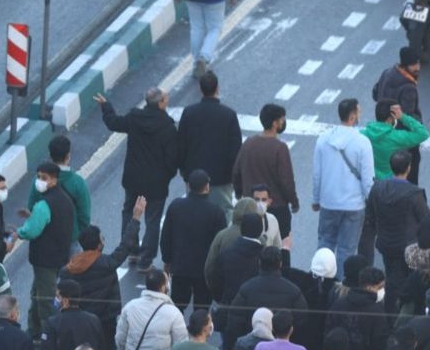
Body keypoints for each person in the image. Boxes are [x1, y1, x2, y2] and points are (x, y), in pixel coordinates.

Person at [63, 199, 145, 350]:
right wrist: (136, 218)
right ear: (98, 245)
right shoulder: (107, 263)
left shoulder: (69, 269)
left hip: (80, 322)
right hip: (106, 322)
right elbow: (126, 245)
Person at [95, 89, 178, 267]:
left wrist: (106, 106)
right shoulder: (168, 127)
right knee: (153, 220)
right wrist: (167, 176)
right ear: (161, 103)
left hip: (133, 180)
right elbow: (173, 159)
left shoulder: (134, 118)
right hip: (156, 183)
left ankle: (130, 250)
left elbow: (113, 123)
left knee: (129, 213)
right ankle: (146, 260)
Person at [360, 150, 430, 314]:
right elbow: (426, 219)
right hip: (409, 247)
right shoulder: (414, 193)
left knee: (392, 279)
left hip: (386, 243)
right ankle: (406, 312)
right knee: (411, 281)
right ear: (409, 168)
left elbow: (370, 215)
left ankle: (390, 312)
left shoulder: (377, 188)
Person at [14, 162, 76, 338]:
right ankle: (33, 331)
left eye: (44, 178)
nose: (40, 181)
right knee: (37, 293)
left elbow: (32, 230)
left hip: (44, 260)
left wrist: (18, 232)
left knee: (45, 300)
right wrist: (32, 217)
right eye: (39, 177)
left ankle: (50, 335)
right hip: (60, 256)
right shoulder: (65, 199)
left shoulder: (43, 205)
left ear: (54, 179)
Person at [314, 98, 375, 268]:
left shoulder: (323, 139)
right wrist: (370, 200)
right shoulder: (362, 142)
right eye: (359, 112)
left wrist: (316, 198)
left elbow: (317, 173)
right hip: (354, 205)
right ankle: (340, 287)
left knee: (325, 244)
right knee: (346, 250)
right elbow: (367, 177)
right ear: (353, 116)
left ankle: (320, 279)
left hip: (328, 202)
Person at [162, 170, 229, 312]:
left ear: (189, 186)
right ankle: (198, 333)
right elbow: (220, 244)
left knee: (177, 307)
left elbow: (166, 237)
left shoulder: (176, 206)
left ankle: (175, 332)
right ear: (207, 187)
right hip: (204, 270)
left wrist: (167, 261)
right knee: (202, 308)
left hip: (180, 267)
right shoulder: (216, 211)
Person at [179, 71, 243, 215]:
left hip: (194, 176)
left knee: (194, 213)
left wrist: (185, 172)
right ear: (217, 88)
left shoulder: (189, 113)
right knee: (224, 212)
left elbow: (181, 145)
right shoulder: (229, 115)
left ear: (201, 89)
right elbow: (235, 150)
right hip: (222, 178)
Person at [233, 104, 298, 239]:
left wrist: (240, 193)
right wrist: (294, 201)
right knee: (280, 246)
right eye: (282, 119)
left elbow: (236, 172)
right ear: (274, 123)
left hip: (250, 207)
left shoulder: (248, 144)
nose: (283, 122)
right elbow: (286, 181)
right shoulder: (280, 148)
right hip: (276, 208)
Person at [227, 247, 309, 346]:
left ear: (259, 263)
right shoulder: (294, 291)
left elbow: (234, 321)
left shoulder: (246, 289)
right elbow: (301, 322)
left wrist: (230, 347)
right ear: (280, 264)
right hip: (283, 348)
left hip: (252, 346)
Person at [26, 135, 92, 242]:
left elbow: (31, 206)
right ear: (68, 156)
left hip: (45, 240)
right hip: (70, 239)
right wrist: (76, 234)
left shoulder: (39, 180)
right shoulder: (77, 183)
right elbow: (84, 216)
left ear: (50, 155)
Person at [209, 214, 265, 341]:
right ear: (260, 230)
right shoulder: (263, 257)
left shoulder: (226, 255)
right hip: (255, 314)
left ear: (242, 229)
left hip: (228, 309)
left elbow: (215, 280)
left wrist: (221, 298)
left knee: (228, 347)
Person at [372, 48, 424, 183]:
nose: (417, 67)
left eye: (418, 63)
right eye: (414, 64)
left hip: (384, 130)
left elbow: (375, 93)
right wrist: (418, 122)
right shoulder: (409, 88)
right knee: (410, 179)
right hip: (403, 140)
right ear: (406, 64)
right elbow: (407, 115)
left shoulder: (387, 73)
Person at [324, 266, 392, 350]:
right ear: (370, 287)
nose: (383, 290)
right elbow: (380, 345)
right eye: (380, 287)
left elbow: (328, 331)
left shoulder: (339, 304)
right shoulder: (377, 311)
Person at [39, 279, 105, 350]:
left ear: (65, 300)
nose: (56, 299)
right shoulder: (93, 320)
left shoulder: (53, 323)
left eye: (58, 296)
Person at [360, 100, 429, 184]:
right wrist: (403, 117)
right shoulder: (396, 137)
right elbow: (423, 133)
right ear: (390, 118)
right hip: (390, 183)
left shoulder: (363, 134)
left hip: (372, 181)